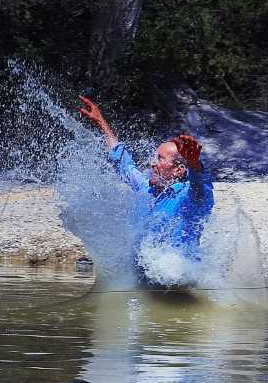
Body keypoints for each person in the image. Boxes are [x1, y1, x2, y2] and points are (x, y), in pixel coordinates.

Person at [78, 96, 214, 267]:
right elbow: (124, 163)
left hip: (178, 276)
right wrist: (101, 123)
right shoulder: (146, 189)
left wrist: (194, 164)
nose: (152, 163)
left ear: (179, 170)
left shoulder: (188, 198)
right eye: (155, 157)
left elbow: (200, 187)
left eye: (160, 158)